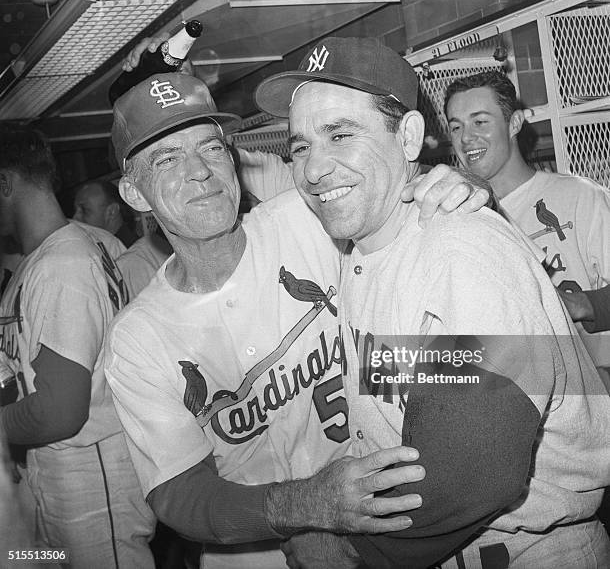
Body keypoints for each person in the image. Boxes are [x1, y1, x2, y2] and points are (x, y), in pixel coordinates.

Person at [102, 69, 491, 569]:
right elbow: (180, 495)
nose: (200, 171)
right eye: (167, 159)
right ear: (133, 194)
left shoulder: (309, 215)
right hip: (254, 557)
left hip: (392, 532)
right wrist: (308, 506)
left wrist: (463, 184)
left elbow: (399, 184)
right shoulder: (137, 338)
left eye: (212, 148)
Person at [254, 36, 610, 568]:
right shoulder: (368, 250)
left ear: (409, 138)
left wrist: (348, 547)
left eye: (340, 135)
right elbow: (418, 396)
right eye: (301, 145)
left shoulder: (455, 248)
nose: (313, 168)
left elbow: (472, 468)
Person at [0, 124, 155, 568]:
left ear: (5, 183)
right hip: (58, 481)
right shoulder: (44, 260)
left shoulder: (65, 263)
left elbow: (59, 411)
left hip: (91, 483)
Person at [444, 70, 610, 388]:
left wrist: (581, 304)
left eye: (480, 122)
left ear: (515, 123)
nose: (465, 138)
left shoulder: (579, 196)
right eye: (456, 126)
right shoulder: (456, 221)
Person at [73, 179, 138, 247]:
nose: (75, 217)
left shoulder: (133, 252)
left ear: (112, 211)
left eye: (84, 210)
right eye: (75, 210)